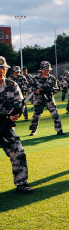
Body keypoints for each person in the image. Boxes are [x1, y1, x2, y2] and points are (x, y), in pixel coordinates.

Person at [0, 57, 32, 193]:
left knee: (18, 152)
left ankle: (21, 183)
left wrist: (16, 114)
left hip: (6, 127)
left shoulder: (12, 85)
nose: (1, 71)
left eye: (3, 69)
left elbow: (19, 103)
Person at [28, 61, 66, 136]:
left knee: (55, 114)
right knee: (36, 115)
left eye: (48, 69)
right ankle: (33, 130)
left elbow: (55, 87)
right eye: (45, 69)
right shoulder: (35, 78)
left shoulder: (52, 78)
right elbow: (29, 87)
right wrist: (36, 90)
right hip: (39, 99)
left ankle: (59, 130)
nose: (47, 71)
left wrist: (54, 91)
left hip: (49, 98)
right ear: (41, 69)